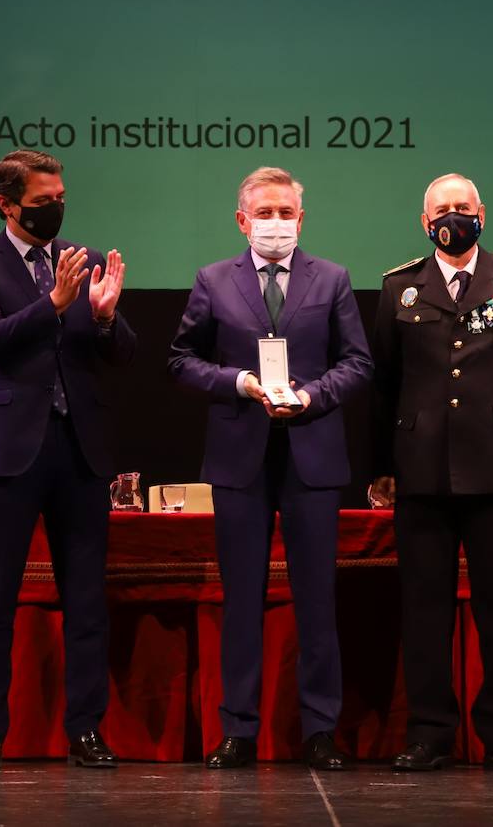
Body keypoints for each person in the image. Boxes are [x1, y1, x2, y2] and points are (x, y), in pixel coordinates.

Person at [168, 166, 372, 770]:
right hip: (240, 459)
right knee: (242, 601)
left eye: (287, 214)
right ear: (242, 220)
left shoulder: (332, 279)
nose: (276, 223)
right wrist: (236, 382)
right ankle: (239, 729)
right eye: (266, 213)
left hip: (312, 453)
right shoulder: (212, 279)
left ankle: (319, 730)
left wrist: (313, 395)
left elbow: (358, 362)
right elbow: (181, 360)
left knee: (316, 600)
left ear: (301, 219)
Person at [370, 172, 493, 774]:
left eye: (463, 206)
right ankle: (429, 732)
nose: (453, 216)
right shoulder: (400, 287)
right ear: (425, 224)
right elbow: (383, 386)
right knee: (424, 610)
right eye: (442, 210)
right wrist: (380, 466)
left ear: (482, 212)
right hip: (420, 471)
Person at [0, 149, 135, 769]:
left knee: (86, 600)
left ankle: (85, 730)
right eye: (42, 201)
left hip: (79, 448)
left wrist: (106, 317)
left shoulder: (79, 259)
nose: (56, 208)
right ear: (8, 204)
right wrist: (53, 305)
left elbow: (121, 353)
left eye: (60, 197)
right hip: (9, 450)